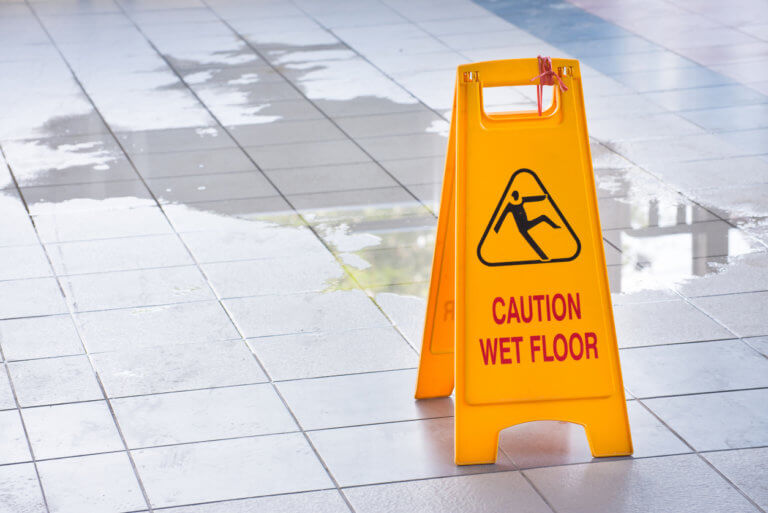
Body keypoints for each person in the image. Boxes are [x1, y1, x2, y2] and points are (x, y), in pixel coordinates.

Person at [493, 190, 560, 260]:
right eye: (514, 196)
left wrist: (544, 197)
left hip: (527, 223)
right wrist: (495, 230)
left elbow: (532, 199)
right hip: (522, 228)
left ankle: (555, 226)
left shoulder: (522, 200)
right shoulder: (510, 205)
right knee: (533, 244)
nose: (516, 197)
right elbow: (502, 217)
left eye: (517, 195)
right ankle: (545, 258)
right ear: (512, 197)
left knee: (543, 217)